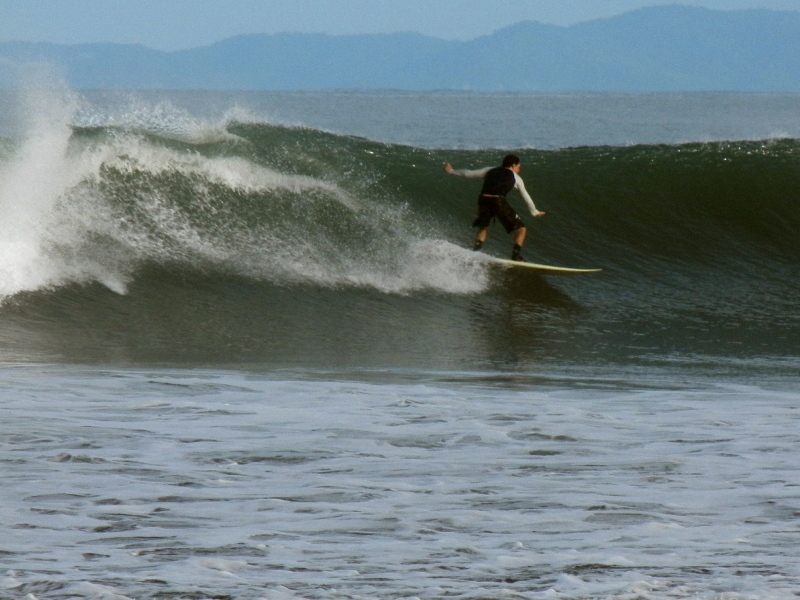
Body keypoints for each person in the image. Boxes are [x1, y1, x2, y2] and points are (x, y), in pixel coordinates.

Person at [445, 154, 545, 262]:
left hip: (483, 199)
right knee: (521, 229)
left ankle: (475, 251)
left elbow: (468, 174)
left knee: (484, 227)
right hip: (498, 201)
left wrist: (451, 171)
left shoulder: (490, 170)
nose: (519, 170)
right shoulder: (516, 177)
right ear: (513, 165)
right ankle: (516, 255)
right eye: (518, 167)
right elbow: (525, 196)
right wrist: (534, 211)